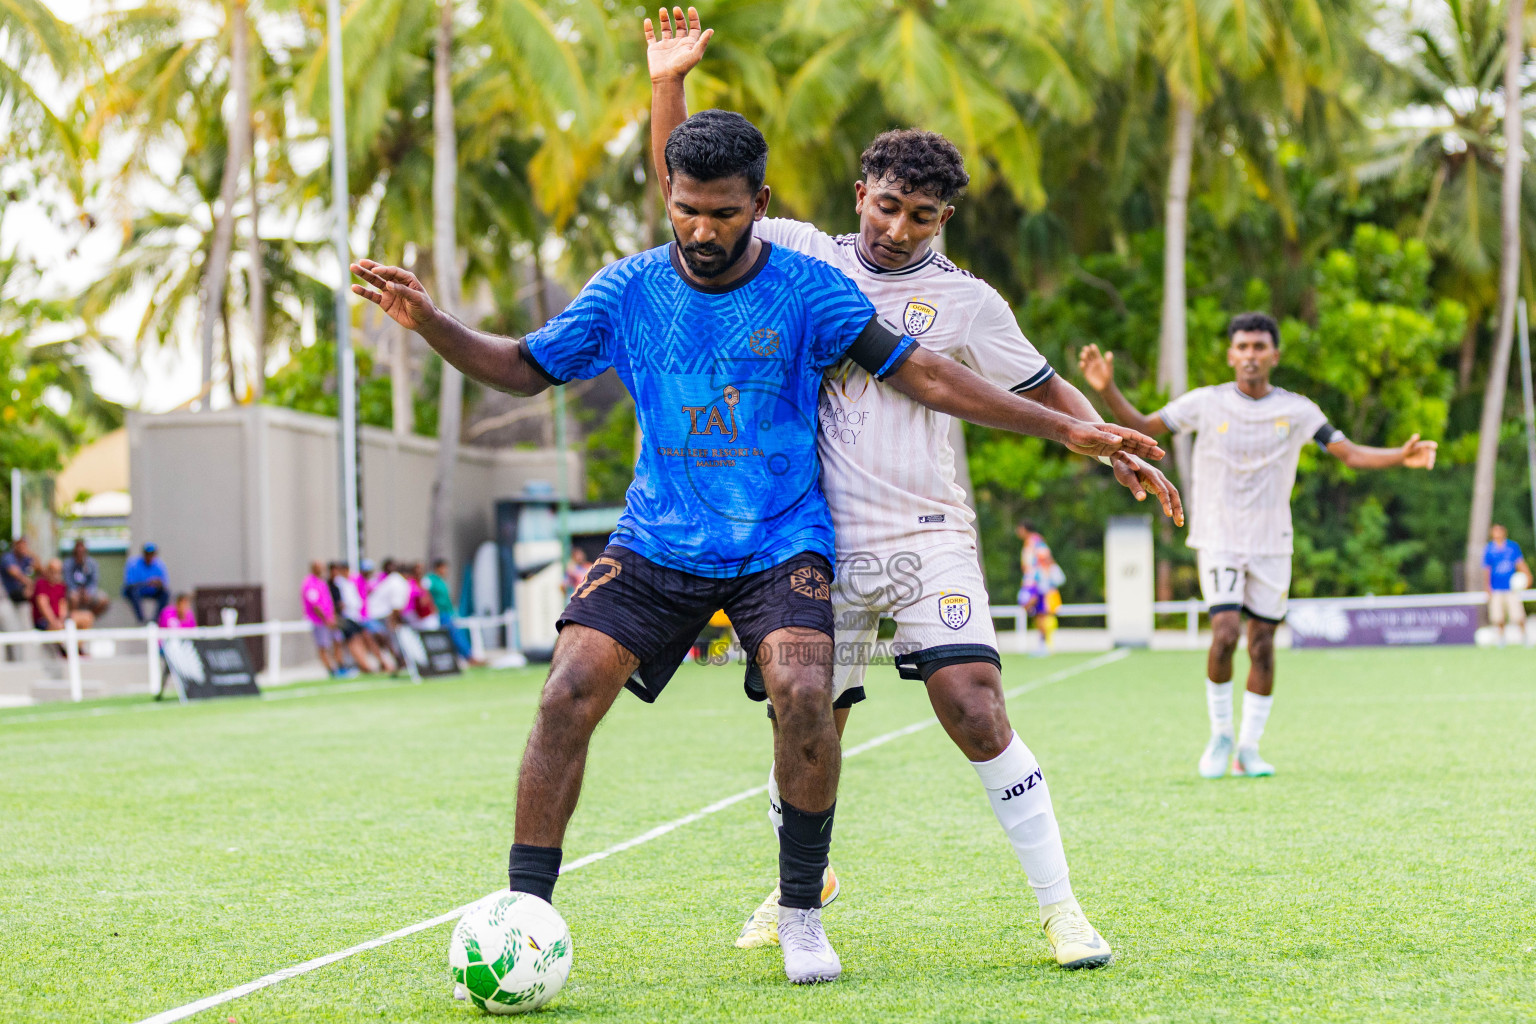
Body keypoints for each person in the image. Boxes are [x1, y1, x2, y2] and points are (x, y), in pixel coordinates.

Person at [353, 105, 1161, 985]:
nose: (703, 230)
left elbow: (930, 373)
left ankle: (838, 912)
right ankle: (527, 913)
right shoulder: (663, 279)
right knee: (570, 691)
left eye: (725, 214)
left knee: (854, 696)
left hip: (814, 534)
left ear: (760, 206)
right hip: (677, 537)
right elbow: (524, 362)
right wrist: (432, 320)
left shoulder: (833, 286)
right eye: (687, 209)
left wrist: (1075, 431)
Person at [646, 9, 1182, 968]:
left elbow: (1038, 387)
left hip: (929, 530)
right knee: (805, 724)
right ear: (861, 193)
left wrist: (1108, 443)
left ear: (945, 221)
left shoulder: (970, 303)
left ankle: (1062, 908)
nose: (897, 230)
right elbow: (690, 195)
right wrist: (669, 86)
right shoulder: (802, 257)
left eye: (922, 216)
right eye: (886, 205)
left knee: (974, 704)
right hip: (812, 543)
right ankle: (800, 887)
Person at [1079, 313, 1439, 778]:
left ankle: (1249, 747)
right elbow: (1144, 424)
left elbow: (1347, 453)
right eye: (1243, 347)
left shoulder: (1299, 410)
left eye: (1259, 347)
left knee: (1264, 644)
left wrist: (1399, 455)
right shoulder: (1205, 403)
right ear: (1231, 355)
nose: (1250, 355)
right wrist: (1107, 388)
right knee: (1226, 632)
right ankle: (1220, 736)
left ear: (1274, 355)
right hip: (1219, 538)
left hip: (1272, 543)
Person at [1016, 522, 1065, 655]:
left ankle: (1044, 644)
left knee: (1039, 612)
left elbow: (1047, 559)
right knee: (1038, 612)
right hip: (1031, 581)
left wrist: (1048, 579)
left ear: (1025, 529)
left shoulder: (1036, 541)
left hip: (1037, 582)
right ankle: (1043, 643)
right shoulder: (1029, 542)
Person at [328, 562, 386, 674]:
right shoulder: (338, 583)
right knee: (352, 642)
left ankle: (371, 664)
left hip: (356, 616)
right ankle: (363, 665)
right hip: (346, 617)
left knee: (363, 639)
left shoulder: (350, 583)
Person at [1483, 524, 1531, 646]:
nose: (1497, 533)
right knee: (1498, 616)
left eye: (1499, 531)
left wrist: (1528, 575)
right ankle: (1501, 638)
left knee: (1518, 615)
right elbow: (1487, 569)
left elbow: (1519, 563)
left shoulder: (1512, 547)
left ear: (1504, 532)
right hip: (1496, 588)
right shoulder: (1489, 549)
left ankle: (1524, 636)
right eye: (1495, 531)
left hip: (1511, 588)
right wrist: (1487, 586)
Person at [301, 561, 348, 677]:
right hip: (319, 621)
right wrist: (326, 619)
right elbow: (315, 605)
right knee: (323, 645)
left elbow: (328, 601)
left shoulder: (321, 582)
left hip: (330, 619)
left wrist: (332, 617)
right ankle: (331, 670)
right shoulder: (309, 583)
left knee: (338, 640)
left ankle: (340, 666)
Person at [33, 559, 90, 631]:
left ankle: (77, 642)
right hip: (44, 621)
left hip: (59, 620)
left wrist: (62, 620)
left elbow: (62, 605)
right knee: (60, 627)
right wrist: (54, 622)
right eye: (53, 571)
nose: (56, 575)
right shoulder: (41, 583)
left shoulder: (61, 586)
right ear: (48, 571)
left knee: (87, 617)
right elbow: (43, 605)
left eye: (58, 572)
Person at [0, 536, 37, 644]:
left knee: (25, 631)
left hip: (21, 601)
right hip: (7, 600)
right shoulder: (8, 557)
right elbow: (15, 573)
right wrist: (29, 583)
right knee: (12, 632)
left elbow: (39, 567)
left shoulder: (26, 558)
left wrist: (31, 553)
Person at [122, 543, 170, 624]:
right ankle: (141, 620)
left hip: (152, 591)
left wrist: (158, 583)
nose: (149, 557)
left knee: (165, 594)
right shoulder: (133, 564)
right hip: (138, 591)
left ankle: (156, 620)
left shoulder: (159, 565)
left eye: (152, 554)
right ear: (144, 554)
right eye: (147, 554)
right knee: (133, 592)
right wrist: (147, 583)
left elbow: (164, 583)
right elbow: (129, 583)